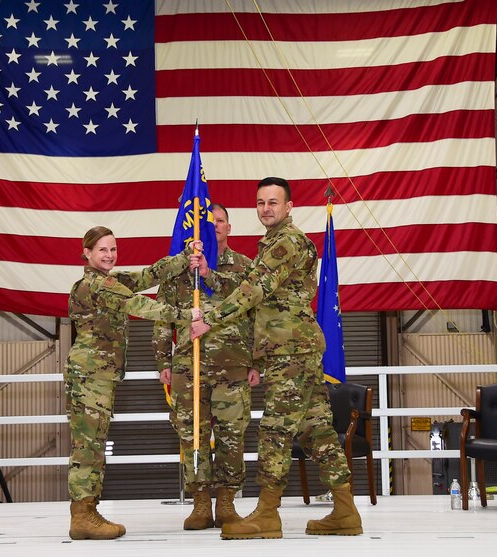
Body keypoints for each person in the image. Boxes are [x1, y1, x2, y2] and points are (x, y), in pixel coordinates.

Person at [190, 177, 363, 539]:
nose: (266, 208)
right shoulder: (272, 243)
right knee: (316, 429)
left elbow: (254, 290)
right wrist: (210, 276)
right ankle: (346, 510)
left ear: (288, 207)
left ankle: (268, 512)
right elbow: (253, 286)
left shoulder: (286, 241)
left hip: (291, 350)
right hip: (293, 348)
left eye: (273, 202)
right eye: (261, 202)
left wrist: (210, 319)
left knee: (274, 429)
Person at [65, 226, 203, 540]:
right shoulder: (95, 285)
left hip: (98, 374)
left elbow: (146, 277)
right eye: (102, 250)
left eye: (113, 249)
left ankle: (87, 510)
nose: (109, 255)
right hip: (91, 374)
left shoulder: (110, 281)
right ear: (86, 253)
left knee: (94, 442)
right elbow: (140, 305)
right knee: (88, 445)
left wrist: (184, 258)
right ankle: (83, 516)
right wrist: (187, 314)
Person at [153, 203, 259, 530]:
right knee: (193, 435)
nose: (214, 227)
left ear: (229, 227)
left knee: (231, 435)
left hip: (233, 367)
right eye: (208, 223)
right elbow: (162, 316)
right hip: (188, 365)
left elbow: (258, 315)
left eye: (220, 222)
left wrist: (258, 361)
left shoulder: (243, 267)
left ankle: (226, 501)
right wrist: (162, 359)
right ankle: (200, 503)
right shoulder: (178, 269)